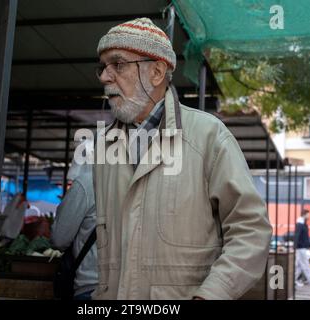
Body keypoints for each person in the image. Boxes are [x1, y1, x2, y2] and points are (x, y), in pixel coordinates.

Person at [92, 17, 272, 300]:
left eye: (118, 64)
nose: (104, 76)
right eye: (102, 67)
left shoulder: (208, 136)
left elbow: (251, 231)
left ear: (156, 72)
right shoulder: (103, 148)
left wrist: (211, 295)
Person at [51, 161, 98, 300]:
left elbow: (59, 239)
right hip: (132, 288)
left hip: (90, 286)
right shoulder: (141, 183)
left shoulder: (87, 183)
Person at [295, 209, 310, 287]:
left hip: (303, 248)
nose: (309, 216)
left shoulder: (304, 224)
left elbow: (305, 237)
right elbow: (297, 236)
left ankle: (291, 280)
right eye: (308, 214)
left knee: (299, 267)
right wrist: (295, 247)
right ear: (304, 214)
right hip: (300, 248)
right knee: (305, 266)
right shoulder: (300, 224)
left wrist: (309, 246)